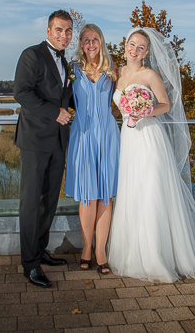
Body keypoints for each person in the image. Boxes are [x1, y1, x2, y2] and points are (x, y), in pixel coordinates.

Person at [107, 27, 195, 283]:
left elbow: (166, 104)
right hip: (128, 139)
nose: (134, 50)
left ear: (147, 51)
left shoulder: (149, 74)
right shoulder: (116, 73)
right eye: (132, 44)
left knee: (152, 189)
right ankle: (133, 253)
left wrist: (145, 110)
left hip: (150, 138)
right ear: (125, 44)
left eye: (140, 47)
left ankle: (156, 256)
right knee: (132, 191)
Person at [13, 10, 73, 288]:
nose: (64, 35)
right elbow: (22, 93)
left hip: (59, 140)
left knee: (48, 201)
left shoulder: (67, 62)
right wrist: (55, 112)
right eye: (59, 30)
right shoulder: (32, 55)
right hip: (36, 140)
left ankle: (40, 251)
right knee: (31, 203)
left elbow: (67, 96)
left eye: (68, 31)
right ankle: (29, 265)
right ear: (48, 31)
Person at [64, 24, 120, 275]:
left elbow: (120, 102)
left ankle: (101, 252)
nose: (90, 44)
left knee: (105, 195)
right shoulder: (72, 70)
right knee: (88, 195)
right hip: (83, 136)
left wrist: (125, 114)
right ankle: (87, 248)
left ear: (101, 41)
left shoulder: (112, 71)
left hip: (107, 136)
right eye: (85, 40)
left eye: (94, 39)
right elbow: (61, 97)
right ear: (81, 44)